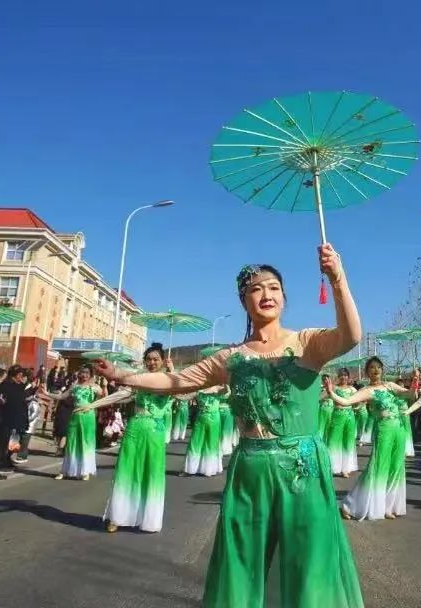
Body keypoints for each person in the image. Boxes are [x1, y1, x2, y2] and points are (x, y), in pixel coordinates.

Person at [92, 245, 363, 608]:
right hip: (250, 467)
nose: (265, 294)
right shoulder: (229, 358)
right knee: (242, 558)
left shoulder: (308, 343)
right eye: (255, 289)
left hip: (303, 468)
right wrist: (126, 375)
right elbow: (178, 381)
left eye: (273, 287)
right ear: (243, 301)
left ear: (284, 296)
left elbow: (351, 336)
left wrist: (337, 278)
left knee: (311, 557)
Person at [79, 343, 174, 533]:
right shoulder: (139, 380)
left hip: (155, 431)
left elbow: (189, 394)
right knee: (126, 470)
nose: (152, 362)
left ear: (163, 361)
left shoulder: (169, 381)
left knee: (151, 473)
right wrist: (93, 405)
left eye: (156, 359)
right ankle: (118, 517)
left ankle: (148, 519)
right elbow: (122, 394)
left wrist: (173, 375)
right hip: (135, 429)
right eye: (149, 359)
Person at [327, 357, 418, 521]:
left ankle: (389, 506)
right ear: (368, 372)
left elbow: (410, 395)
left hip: (399, 429)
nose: (376, 370)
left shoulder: (390, 386)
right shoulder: (367, 391)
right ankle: (350, 505)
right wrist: (331, 393)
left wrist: (416, 381)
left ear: (382, 370)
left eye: (378, 367)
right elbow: (346, 401)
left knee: (396, 467)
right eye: (372, 368)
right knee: (377, 467)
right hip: (383, 429)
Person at [44, 365, 105, 480]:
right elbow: (62, 396)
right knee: (71, 442)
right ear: (79, 374)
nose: (84, 375)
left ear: (90, 375)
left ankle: (85, 471)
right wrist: (47, 394)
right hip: (75, 416)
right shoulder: (75, 387)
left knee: (85, 442)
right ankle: (66, 470)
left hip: (88, 417)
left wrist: (105, 386)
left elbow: (104, 397)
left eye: (87, 373)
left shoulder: (94, 387)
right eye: (82, 372)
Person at [0, 364, 29, 478]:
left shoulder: (18, 387)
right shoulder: (5, 386)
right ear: (16, 375)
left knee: (6, 447)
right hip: (3, 421)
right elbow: (4, 403)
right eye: (20, 375)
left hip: (13, 422)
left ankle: (0, 466)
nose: (22, 378)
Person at [183, 387, 226, 476]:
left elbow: (226, 391)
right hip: (201, 417)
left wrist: (227, 381)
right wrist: (171, 393)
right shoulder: (199, 390)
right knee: (195, 443)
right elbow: (186, 397)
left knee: (211, 443)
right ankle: (190, 470)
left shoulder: (218, 389)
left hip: (214, 419)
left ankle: (209, 470)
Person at [326, 368, 359, 477]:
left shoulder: (353, 389)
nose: (343, 377)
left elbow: (361, 401)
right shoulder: (334, 388)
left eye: (345, 375)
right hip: (337, 416)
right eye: (341, 375)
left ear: (348, 377)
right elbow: (322, 397)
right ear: (338, 377)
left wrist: (357, 407)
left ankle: (345, 468)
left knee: (348, 441)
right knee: (333, 440)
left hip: (350, 417)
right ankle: (331, 466)